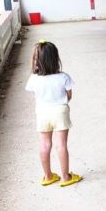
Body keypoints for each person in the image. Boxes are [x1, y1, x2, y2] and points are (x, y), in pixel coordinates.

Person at [25, 40, 82, 187]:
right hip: (60, 111)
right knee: (61, 145)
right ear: (55, 58)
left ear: (36, 61)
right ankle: (65, 177)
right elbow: (69, 96)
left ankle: (48, 176)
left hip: (42, 112)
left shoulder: (33, 78)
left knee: (45, 144)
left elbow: (35, 95)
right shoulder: (64, 77)